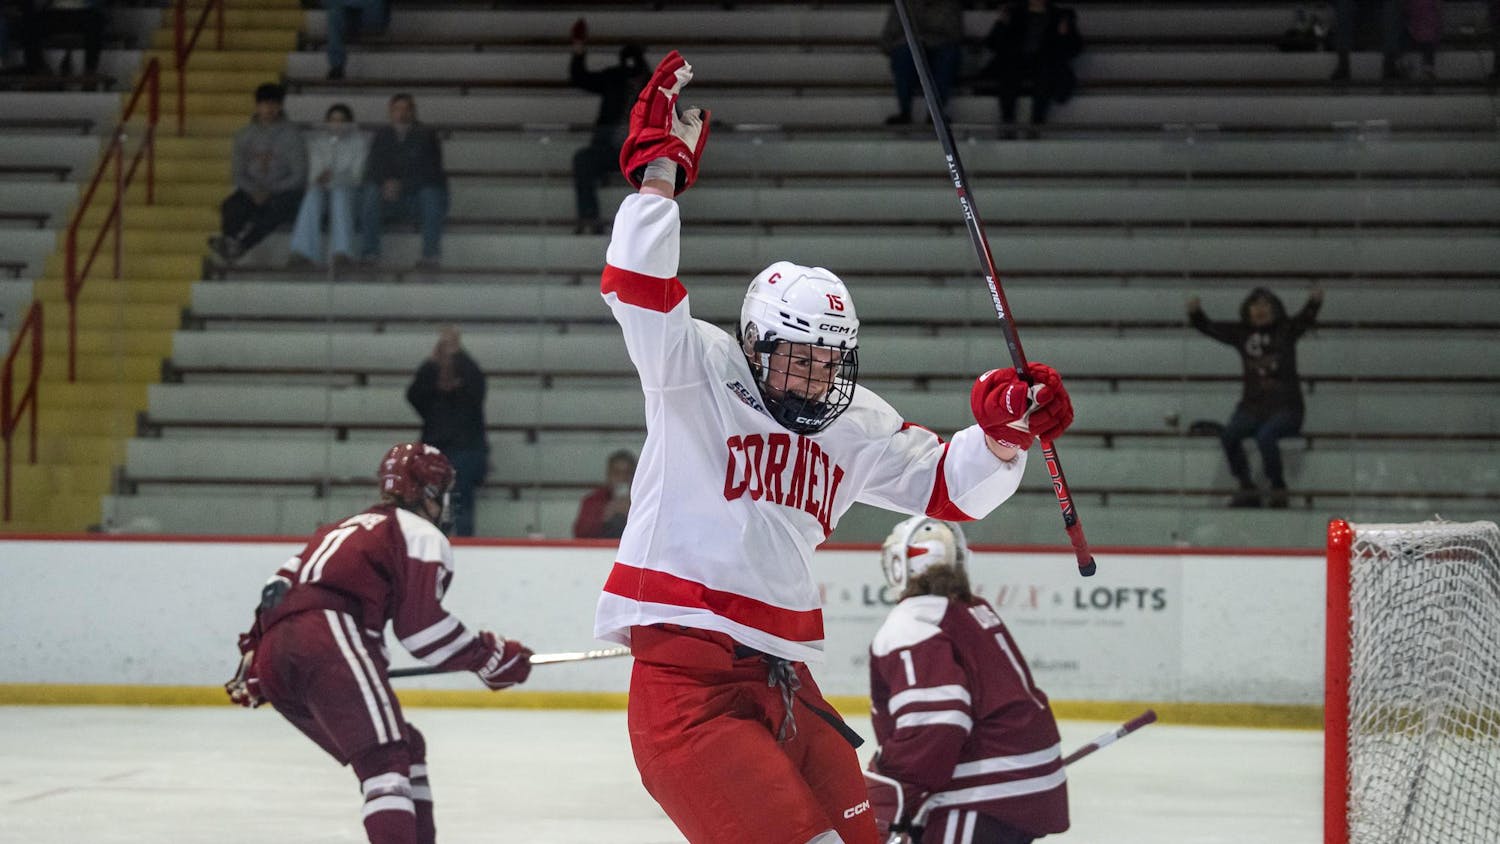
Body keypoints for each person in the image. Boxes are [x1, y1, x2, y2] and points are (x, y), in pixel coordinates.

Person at [593, 51, 1076, 844]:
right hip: (690, 688)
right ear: (755, 344)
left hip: (785, 681)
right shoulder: (696, 370)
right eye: (799, 356)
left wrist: (1006, 430)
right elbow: (637, 287)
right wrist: (657, 179)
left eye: (830, 359)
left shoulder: (854, 424)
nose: (817, 376)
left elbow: (951, 488)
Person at [224, 442, 533, 844]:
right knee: (385, 764)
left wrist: (255, 659)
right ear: (428, 492)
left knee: (406, 745)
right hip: (329, 638)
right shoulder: (419, 533)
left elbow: (276, 591)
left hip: (275, 652)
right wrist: (491, 657)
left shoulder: (338, 530)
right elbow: (421, 631)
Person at [865, 516, 1068, 844]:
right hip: (1024, 785)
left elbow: (936, 725)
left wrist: (890, 787)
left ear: (900, 565)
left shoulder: (912, 622)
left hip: (978, 792)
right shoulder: (973, 610)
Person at [1188, 287, 1322, 509]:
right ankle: (1246, 485)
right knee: (1229, 435)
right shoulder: (1242, 334)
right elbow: (1210, 328)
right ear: (1247, 310)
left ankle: (1278, 487)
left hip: (1286, 408)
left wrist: (1314, 303)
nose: (1260, 310)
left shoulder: (1286, 330)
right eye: (1255, 305)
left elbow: (1305, 319)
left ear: (1275, 309)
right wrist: (1195, 314)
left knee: (1265, 436)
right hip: (1252, 408)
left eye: (1265, 305)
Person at [209, 82, 307, 264]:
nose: (269, 109)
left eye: (273, 104)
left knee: (276, 209)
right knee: (231, 206)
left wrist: (271, 190)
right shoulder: (243, 135)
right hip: (252, 189)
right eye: (264, 104)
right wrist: (254, 191)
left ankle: (242, 245)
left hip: (284, 192)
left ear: (280, 107)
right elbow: (237, 173)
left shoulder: (292, 135)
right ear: (257, 106)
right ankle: (230, 241)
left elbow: (299, 175)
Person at [568, 18, 649, 235]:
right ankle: (589, 217)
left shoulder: (656, 88)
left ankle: (648, 229)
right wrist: (578, 48)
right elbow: (580, 78)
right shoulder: (614, 79)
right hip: (609, 149)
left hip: (641, 156)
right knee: (582, 159)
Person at [406, 327, 488, 537]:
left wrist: (457, 356)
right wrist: (432, 362)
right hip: (438, 448)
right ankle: (433, 536)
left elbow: (477, 388)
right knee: (431, 500)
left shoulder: (468, 375)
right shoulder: (431, 382)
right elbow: (414, 395)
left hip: (465, 448)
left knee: (460, 500)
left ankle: (463, 540)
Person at [359, 93, 449, 270]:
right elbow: (373, 169)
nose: (401, 113)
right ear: (390, 112)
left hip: (417, 199)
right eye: (397, 109)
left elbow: (431, 173)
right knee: (371, 191)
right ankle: (370, 253)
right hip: (389, 198)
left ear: (413, 112)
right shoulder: (381, 136)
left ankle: (430, 255)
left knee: (431, 193)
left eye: (406, 109)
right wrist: (386, 184)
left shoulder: (426, 136)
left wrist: (402, 185)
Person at [288, 103, 368, 269]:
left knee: (339, 193)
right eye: (333, 120)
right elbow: (315, 175)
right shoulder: (318, 143)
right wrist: (321, 179)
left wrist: (336, 179)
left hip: (350, 193)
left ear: (349, 123)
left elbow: (357, 176)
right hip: (323, 190)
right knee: (313, 194)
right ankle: (303, 252)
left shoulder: (359, 142)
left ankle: (342, 252)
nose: (337, 124)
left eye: (341, 121)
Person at [983, 0, 1083, 132]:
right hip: (1017, 61)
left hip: (1045, 63)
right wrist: (1001, 24)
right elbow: (992, 44)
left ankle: (1036, 122)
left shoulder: (1060, 16)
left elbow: (1075, 47)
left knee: (1045, 72)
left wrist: (1064, 35)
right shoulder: (1014, 14)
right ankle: (1008, 121)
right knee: (1010, 70)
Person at [878, 0, 963, 126]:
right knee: (904, 55)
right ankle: (905, 111)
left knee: (948, 56)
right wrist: (912, 42)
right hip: (908, 49)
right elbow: (887, 39)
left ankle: (936, 114)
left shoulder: (949, 5)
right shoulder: (903, 5)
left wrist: (927, 40)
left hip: (939, 48)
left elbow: (955, 35)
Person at [14, 0, 107, 79]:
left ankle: (90, 71)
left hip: (84, 12)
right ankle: (39, 69)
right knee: (29, 22)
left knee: (96, 20)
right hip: (53, 12)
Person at [572, 449, 636, 539]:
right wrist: (603, 516)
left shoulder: (642, 501)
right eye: (617, 473)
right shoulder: (593, 501)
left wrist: (633, 514)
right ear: (608, 475)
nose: (622, 478)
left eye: (627, 473)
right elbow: (579, 534)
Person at [323, 0, 388, 81]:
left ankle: (337, 65)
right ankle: (337, 67)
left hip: (373, 16)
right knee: (334, 13)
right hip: (351, 18)